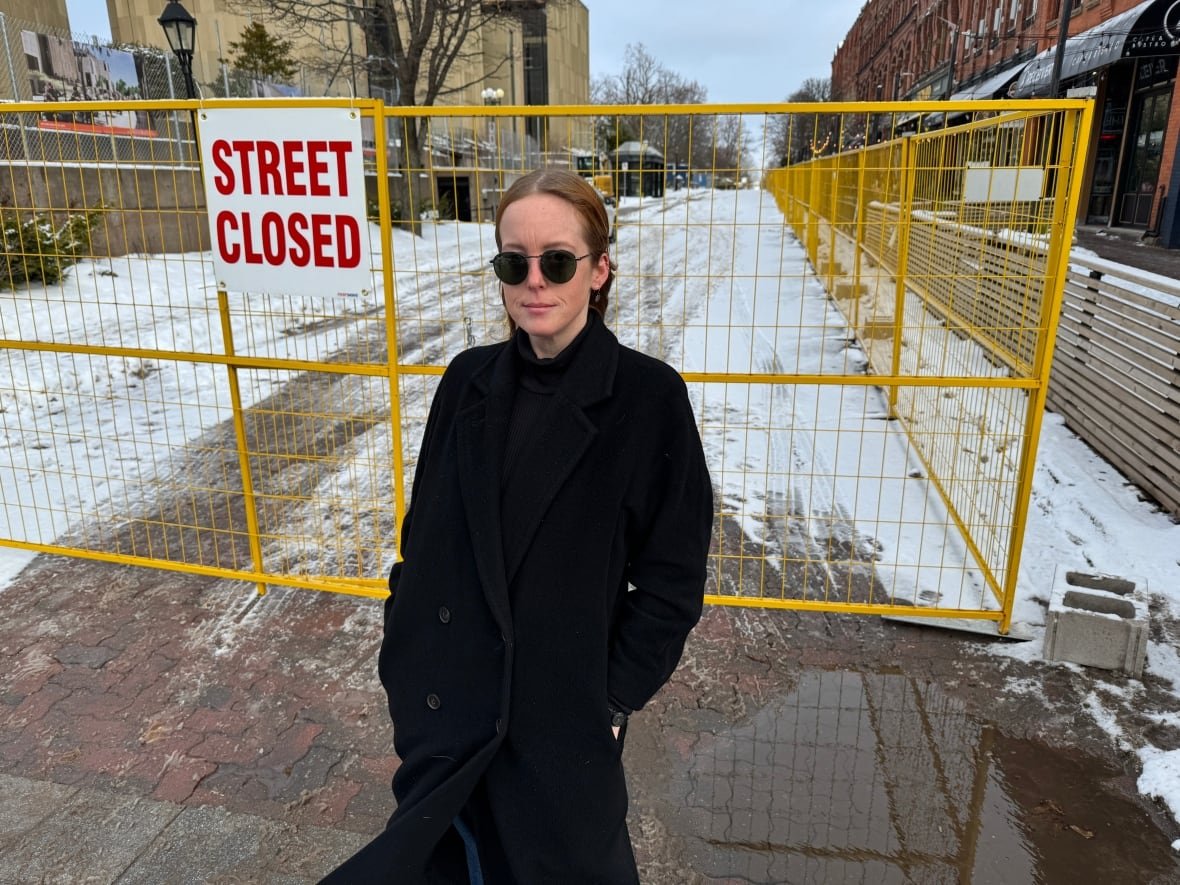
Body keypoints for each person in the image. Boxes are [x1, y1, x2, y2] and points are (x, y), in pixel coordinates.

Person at [324, 168, 713, 883]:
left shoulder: (648, 398)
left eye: (557, 261)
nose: (535, 280)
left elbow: (673, 580)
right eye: (514, 261)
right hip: (448, 719)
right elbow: (425, 542)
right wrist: (405, 659)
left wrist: (608, 695)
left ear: (599, 271)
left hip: (559, 728)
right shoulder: (466, 382)